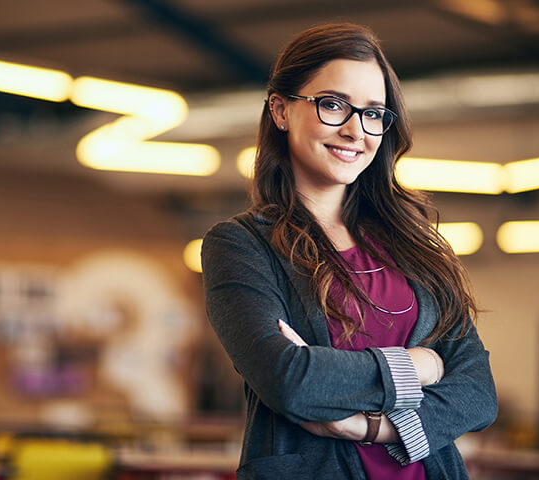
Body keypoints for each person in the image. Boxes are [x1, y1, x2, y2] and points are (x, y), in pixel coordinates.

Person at [201, 23, 497, 479]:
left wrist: (370, 428)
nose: (356, 131)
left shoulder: (412, 242)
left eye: (374, 113)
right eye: (333, 105)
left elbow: (477, 392)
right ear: (280, 110)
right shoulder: (241, 245)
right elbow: (291, 382)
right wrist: (420, 364)